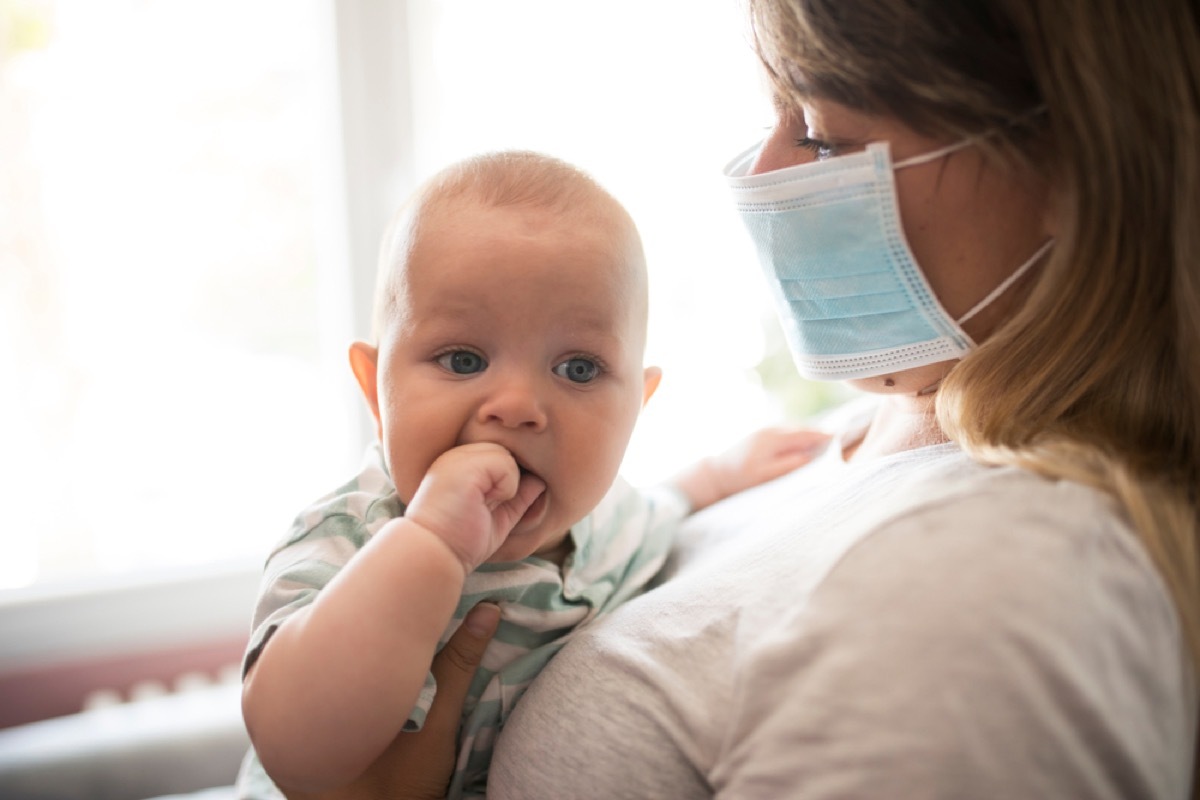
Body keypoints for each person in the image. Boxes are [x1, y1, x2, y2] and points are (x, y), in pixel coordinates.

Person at [296, 0, 1198, 798]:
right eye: (460, 357)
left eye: (820, 133)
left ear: (1072, 169)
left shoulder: (1002, 585)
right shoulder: (867, 430)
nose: (763, 175)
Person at [236, 150, 830, 800]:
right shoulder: (349, 538)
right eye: (462, 359)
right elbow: (294, 749)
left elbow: (666, 503)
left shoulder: (613, 524)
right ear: (376, 394)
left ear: (637, 407)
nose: (517, 406)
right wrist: (432, 541)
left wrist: (721, 474)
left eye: (577, 369)